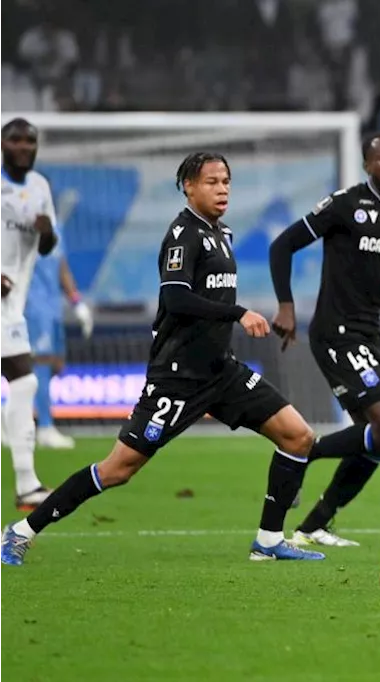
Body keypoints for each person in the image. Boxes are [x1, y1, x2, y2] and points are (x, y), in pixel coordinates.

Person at [1, 152, 325, 567]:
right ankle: (20, 531)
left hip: (221, 372)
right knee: (118, 470)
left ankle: (268, 540)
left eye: (226, 180)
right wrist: (238, 313)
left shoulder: (220, 233)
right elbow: (176, 298)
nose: (222, 188)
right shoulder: (182, 235)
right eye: (211, 181)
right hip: (177, 378)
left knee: (298, 436)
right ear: (188, 186)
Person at [269, 132, 380, 548]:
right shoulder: (345, 204)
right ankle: (302, 455)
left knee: (377, 438)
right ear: (368, 164)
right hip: (334, 331)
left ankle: (314, 524)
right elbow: (283, 244)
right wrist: (286, 305)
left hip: (369, 335)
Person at [0, 118, 58, 512]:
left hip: (10, 305)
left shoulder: (40, 187)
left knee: (24, 383)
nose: (23, 146)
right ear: (2, 144)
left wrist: (47, 229)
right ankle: (27, 485)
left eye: (30, 141)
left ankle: (27, 486)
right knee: (22, 379)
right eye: (15, 139)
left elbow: (47, 246)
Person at [25, 235, 95, 450]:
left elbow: (61, 265)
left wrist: (76, 302)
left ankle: (10, 410)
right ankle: (44, 427)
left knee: (56, 364)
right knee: (42, 362)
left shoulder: (54, 227)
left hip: (53, 306)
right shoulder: (21, 224)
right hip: (32, 305)